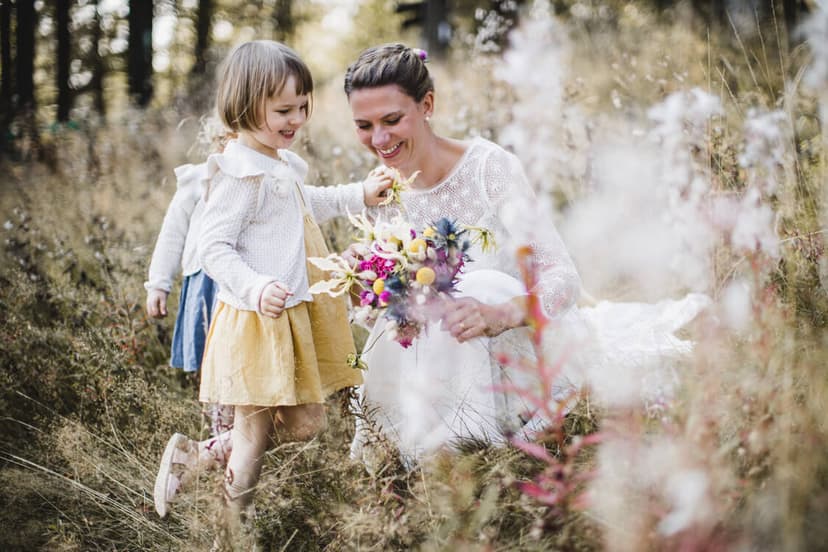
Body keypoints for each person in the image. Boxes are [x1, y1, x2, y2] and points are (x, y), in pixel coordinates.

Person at [342, 44, 709, 466]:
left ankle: (470, 440)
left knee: (479, 283)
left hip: (519, 344)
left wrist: (500, 314)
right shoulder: (381, 191)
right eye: (364, 126)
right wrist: (367, 284)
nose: (380, 140)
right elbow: (397, 316)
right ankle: (424, 445)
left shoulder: (489, 168)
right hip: (442, 360)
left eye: (392, 120)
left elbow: (563, 277)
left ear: (427, 105)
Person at [152, 40, 392, 528]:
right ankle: (232, 530)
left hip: (290, 318)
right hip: (255, 323)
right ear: (244, 104)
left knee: (307, 422)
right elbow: (214, 247)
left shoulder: (276, 163)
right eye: (284, 109)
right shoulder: (239, 174)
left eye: (303, 107)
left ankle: (199, 456)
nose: (297, 119)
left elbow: (311, 202)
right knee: (253, 437)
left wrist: (360, 194)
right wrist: (256, 286)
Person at [146, 160, 237, 520]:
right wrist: (158, 283)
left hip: (256, 287)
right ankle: (227, 491)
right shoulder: (200, 178)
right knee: (221, 388)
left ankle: (205, 456)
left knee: (255, 400)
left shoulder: (284, 168)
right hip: (210, 287)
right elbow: (173, 231)